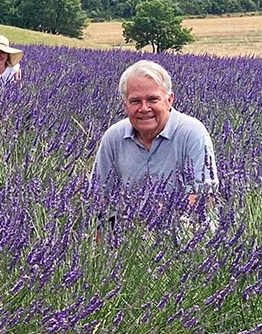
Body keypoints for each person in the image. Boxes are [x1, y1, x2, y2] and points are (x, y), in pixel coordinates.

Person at [91, 60, 218, 235]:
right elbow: (100, 199)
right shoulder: (114, 137)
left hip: (187, 237)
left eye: (153, 99)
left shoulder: (192, 133)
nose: (144, 108)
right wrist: (101, 249)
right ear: (125, 106)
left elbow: (204, 196)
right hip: (131, 239)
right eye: (135, 101)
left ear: (169, 100)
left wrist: (162, 221)